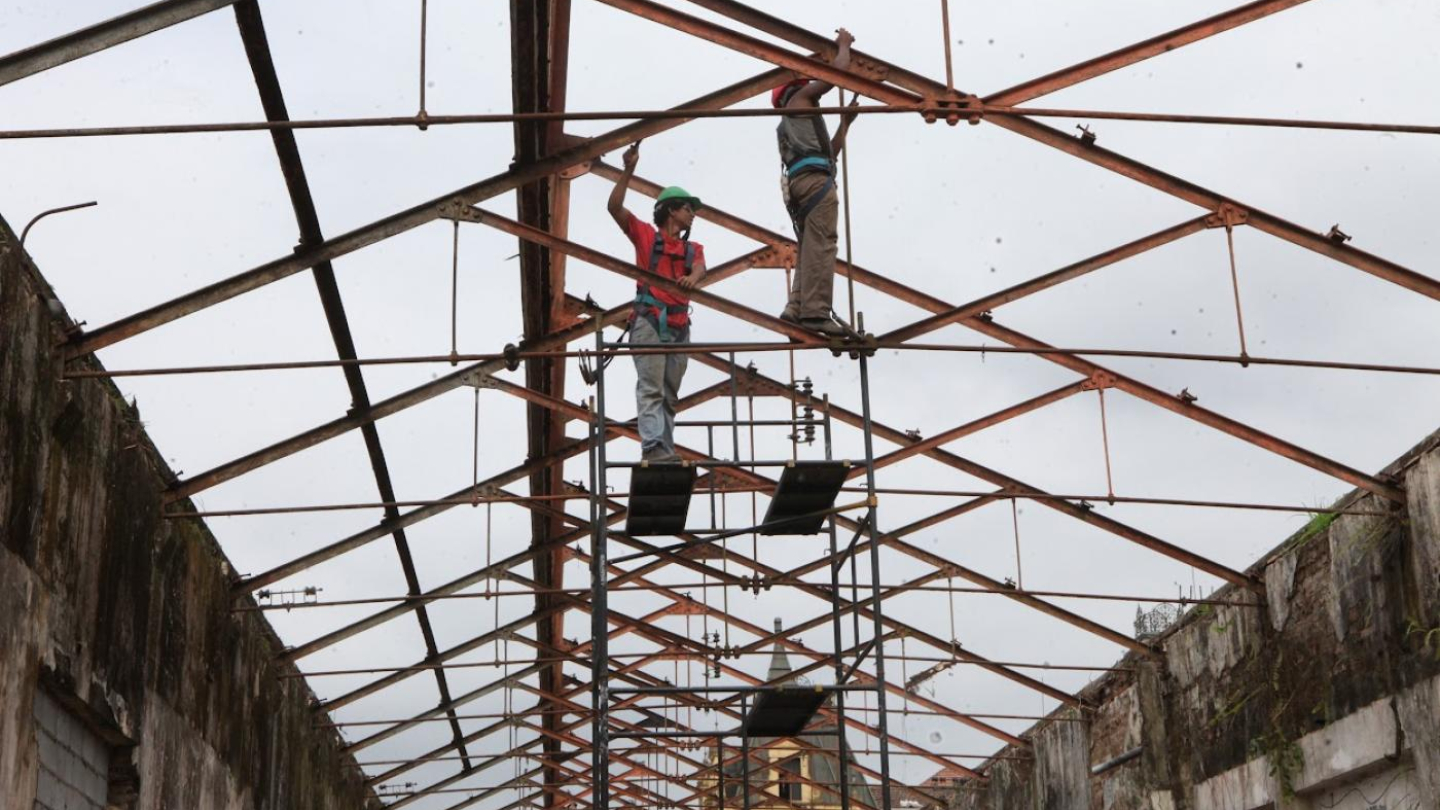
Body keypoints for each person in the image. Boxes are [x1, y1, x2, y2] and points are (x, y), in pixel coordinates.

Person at [607, 141, 706, 463]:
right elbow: (615, 207)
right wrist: (628, 170)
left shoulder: (693, 250)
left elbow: (700, 268)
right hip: (650, 321)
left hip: (679, 327)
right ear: (671, 210)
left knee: (669, 394)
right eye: (687, 208)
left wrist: (694, 278)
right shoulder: (647, 237)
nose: (692, 214)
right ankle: (653, 447)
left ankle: (664, 448)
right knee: (651, 389)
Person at [772, 28, 861, 338]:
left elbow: (828, 156)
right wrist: (844, 46)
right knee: (823, 246)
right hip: (815, 187)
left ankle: (795, 309)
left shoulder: (791, 124)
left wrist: (845, 124)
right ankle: (815, 313)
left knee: (809, 247)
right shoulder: (800, 99)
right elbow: (836, 74)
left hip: (804, 185)